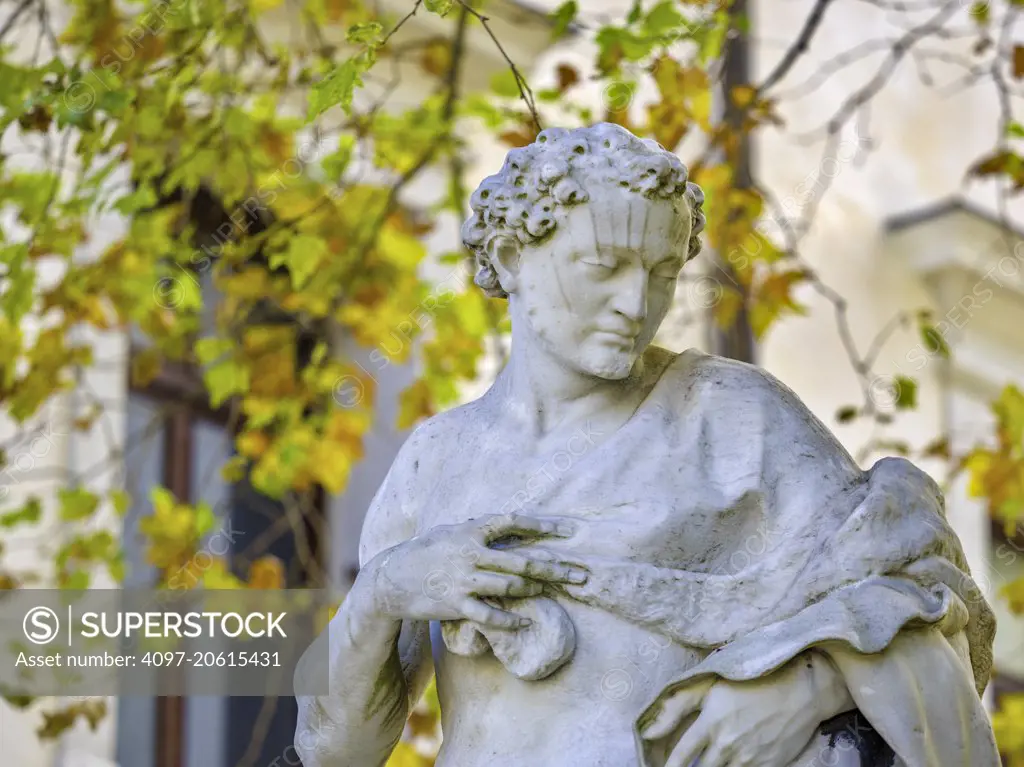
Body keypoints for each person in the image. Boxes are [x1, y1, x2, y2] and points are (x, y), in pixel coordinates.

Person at [294, 123, 999, 767]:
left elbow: (922, 596)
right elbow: (333, 751)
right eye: (605, 267)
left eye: (662, 273)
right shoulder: (435, 461)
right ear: (512, 259)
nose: (637, 302)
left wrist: (807, 689)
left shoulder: (730, 419)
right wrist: (387, 591)